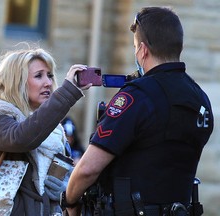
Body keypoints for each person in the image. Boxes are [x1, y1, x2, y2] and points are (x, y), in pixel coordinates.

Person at [63, 6, 214, 216]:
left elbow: (88, 169)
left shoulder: (137, 96)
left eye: (135, 47)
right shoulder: (200, 99)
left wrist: (69, 202)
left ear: (143, 50)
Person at [0, 47, 92, 215]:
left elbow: (52, 176)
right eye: (38, 75)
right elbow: (20, 139)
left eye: (50, 75)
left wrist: (65, 186)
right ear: (17, 81)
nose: (48, 83)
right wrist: (67, 92)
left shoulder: (53, 129)